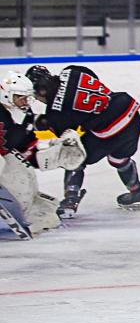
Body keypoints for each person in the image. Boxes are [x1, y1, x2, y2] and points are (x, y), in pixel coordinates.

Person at [25, 65, 140, 219]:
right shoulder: (71, 71)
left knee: (74, 157)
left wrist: (38, 120)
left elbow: (64, 131)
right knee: (118, 159)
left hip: (110, 128)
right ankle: (138, 193)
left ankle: (70, 201)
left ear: (42, 91)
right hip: (130, 111)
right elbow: (93, 80)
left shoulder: (56, 111)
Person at [0, 71, 86, 239]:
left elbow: (26, 148)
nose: (24, 102)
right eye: (20, 97)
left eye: (26, 98)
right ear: (6, 95)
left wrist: (57, 153)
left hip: (5, 156)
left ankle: (31, 213)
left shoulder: (23, 115)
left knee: (31, 187)